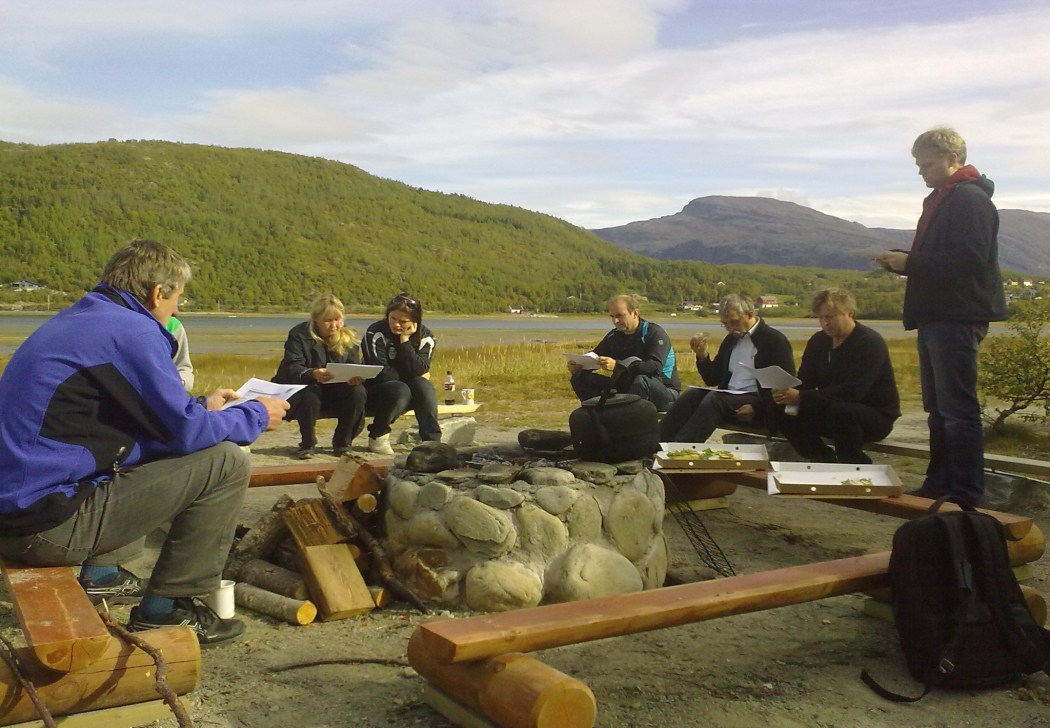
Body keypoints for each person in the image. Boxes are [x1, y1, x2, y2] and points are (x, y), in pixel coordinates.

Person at [0, 239, 289, 647]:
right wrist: (258, 414)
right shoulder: (131, 330)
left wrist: (202, 407)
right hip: (43, 526)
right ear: (158, 292)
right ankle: (166, 609)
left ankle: (102, 575)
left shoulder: (85, 320)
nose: (177, 311)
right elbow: (183, 435)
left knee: (162, 453)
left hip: (20, 509)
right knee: (225, 461)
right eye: (177, 301)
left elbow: (130, 425)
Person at [876, 127, 1007, 503]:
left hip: (957, 315)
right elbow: (943, 258)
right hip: (937, 315)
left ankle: (965, 492)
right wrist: (902, 262)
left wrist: (911, 262)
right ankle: (938, 483)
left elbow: (969, 258)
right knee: (937, 409)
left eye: (926, 164)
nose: (921, 172)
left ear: (951, 159)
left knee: (956, 409)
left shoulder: (969, 199)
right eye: (919, 165)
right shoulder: (941, 199)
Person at [772, 289, 900, 464]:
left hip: (874, 416)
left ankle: (854, 465)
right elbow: (806, 380)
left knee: (842, 411)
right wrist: (788, 393)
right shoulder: (819, 341)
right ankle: (823, 459)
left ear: (850, 314)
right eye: (821, 318)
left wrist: (802, 397)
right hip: (831, 408)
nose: (825, 323)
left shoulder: (869, 342)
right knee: (781, 411)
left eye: (830, 317)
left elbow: (854, 391)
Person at [660, 293, 794, 443]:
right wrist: (702, 356)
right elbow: (712, 378)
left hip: (757, 402)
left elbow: (786, 387)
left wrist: (757, 408)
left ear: (750, 314)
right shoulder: (732, 340)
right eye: (724, 324)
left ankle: (679, 449)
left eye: (734, 322)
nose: (729, 328)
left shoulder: (774, 341)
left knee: (715, 400)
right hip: (728, 396)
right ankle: (657, 444)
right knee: (692, 395)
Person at [272, 294, 368, 460]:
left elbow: (354, 366)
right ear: (315, 319)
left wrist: (355, 378)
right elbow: (291, 366)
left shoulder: (348, 338)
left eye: (337, 319)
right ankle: (308, 443)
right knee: (311, 392)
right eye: (327, 320)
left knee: (358, 391)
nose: (334, 326)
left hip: (335, 390)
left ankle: (343, 443)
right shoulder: (299, 334)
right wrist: (313, 373)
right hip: (304, 388)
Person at [567, 294, 680, 410]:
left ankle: (633, 423)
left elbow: (655, 367)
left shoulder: (654, 333)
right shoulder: (614, 336)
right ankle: (596, 417)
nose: (615, 321)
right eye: (612, 316)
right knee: (580, 378)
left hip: (664, 391)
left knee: (640, 380)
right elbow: (596, 356)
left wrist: (617, 366)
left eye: (620, 316)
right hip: (628, 386)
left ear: (635, 313)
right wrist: (580, 366)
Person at [362, 293, 440, 454]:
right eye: (393, 319)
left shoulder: (426, 337)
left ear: (415, 322)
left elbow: (421, 368)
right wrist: (414, 375)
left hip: (410, 392)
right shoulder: (375, 333)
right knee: (402, 388)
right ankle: (378, 434)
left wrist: (405, 341)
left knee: (423, 385)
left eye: (403, 322)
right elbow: (381, 372)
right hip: (377, 391)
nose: (397, 325)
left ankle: (432, 442)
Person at [166, 314, 195, 391]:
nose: (176, 312)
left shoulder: (172, 325)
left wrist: (180, 383)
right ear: (156, 301)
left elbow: (183, 368)